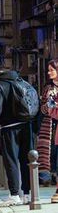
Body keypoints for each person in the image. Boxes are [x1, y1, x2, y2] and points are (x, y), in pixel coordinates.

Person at [0, 64, 34, 206]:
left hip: (9, 128)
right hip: (27, 126)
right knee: (28, 160)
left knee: (11, 161)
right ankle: (27, 194)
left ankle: (14, 195)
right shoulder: (23, 82)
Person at [44, 60, 58, 204]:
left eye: (51, 70)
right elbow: (49, 108)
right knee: (55, 158)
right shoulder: (50, 89)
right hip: (54, 126)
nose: (49, 73)